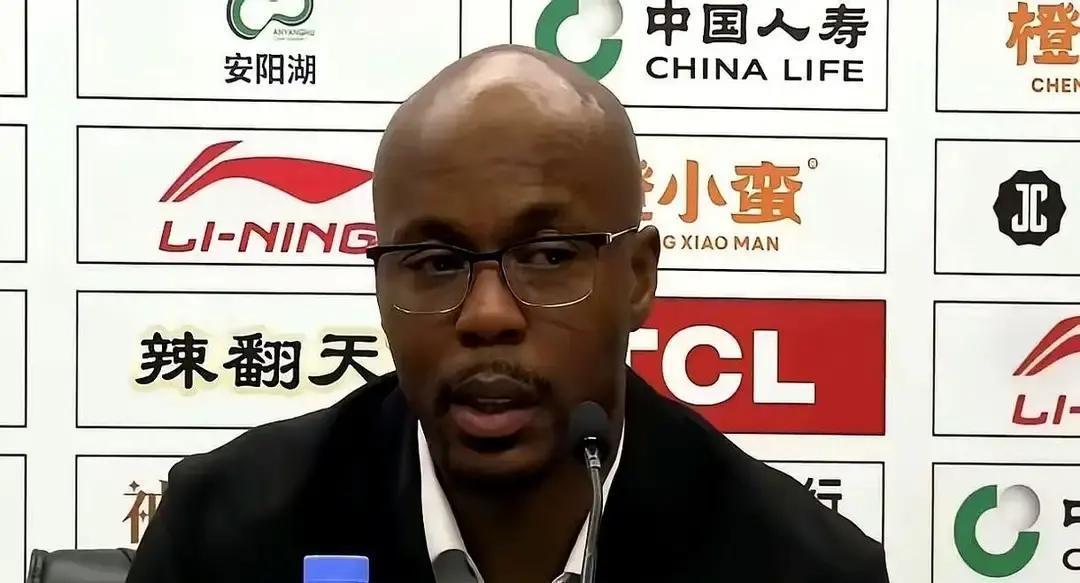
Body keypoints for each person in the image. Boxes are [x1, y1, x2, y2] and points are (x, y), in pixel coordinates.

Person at [127, 45, 889, 583]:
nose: (487, 314)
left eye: (549, 255)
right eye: (435, 262)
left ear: (637, 277)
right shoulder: (224, 534)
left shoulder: (798, 564)